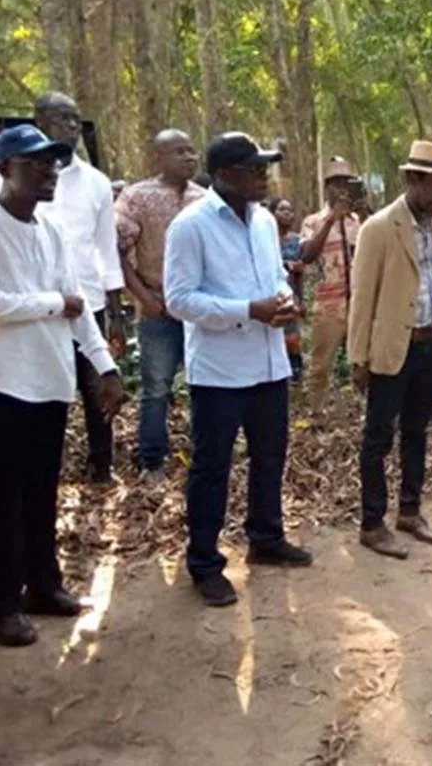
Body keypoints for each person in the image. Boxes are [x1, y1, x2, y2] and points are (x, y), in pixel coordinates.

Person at [0, 125, 124, 646]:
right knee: (5, 497)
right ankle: (3, 605)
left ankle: (44, 584)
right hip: (2, 383)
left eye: (55, 163)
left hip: (51, 380)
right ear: (6, 168)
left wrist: (105, 366)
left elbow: (76, 301)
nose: (51, 171)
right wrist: (54, 304)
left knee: (41, 491)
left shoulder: (50, 228)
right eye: (37, 164)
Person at [164, 132, 312, 607]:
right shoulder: (191, 226)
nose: (264, 176)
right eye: (255, 169)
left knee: (271, 456)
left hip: (268, 363)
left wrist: (284, 301)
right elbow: (180, 299)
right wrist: (250, 309)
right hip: (220, 371)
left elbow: (272, 278)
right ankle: (205, 562)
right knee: (212, 467)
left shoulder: (265, 221)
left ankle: (266, 538)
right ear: (226, 176)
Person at [0, 92, 126, 484]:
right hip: (16, 323)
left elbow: (105, 248)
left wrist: (114, 314)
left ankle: (101, 464)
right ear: (38, 121)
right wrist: (51, 302)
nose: (73, 127)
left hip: (82, 302)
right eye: (63, 119)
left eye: (77, 120)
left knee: (93, 388)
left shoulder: (93, 184)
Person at [347, 140, 432, 559]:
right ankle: (372, 523)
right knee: (378, 436)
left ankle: (409, 511)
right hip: (393, 346)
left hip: (431, 343)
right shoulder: (379, 228)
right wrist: (359, 358)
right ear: (413, 180)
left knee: (417, 431)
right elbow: (363, 297)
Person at [115, 130, 205, 482]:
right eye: (179, 151)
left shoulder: (205, 198)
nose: (189, 157)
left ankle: (206, 452)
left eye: (192, 150)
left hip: (200, 310)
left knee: (204, 383)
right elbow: (115, 249)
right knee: (156, 387)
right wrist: (142, 296)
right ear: (159, 157)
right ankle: (153, 461)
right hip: (159, 309)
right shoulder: (137, 197)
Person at [300, 157, 361, 413]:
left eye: (345, 182)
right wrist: (331, 220)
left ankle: (362, 408)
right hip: (328, 305)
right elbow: (307, 255)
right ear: (327, 187)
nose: (341, 188)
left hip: (357, 302)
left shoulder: (357, 221)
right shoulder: (313, 221)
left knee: (362, 359)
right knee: (321, 363)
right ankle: (316, 411)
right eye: (335, 183)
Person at [270, 197, 305, 382]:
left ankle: (295, 371)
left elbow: (300, 272)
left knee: (292, 338)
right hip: (270, 298)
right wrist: (287, 265)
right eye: (282, 209)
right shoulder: (266, 238)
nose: (287, 214)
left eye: (290, 210)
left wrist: (302, 299)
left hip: (291, 295)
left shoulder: (296, 240)